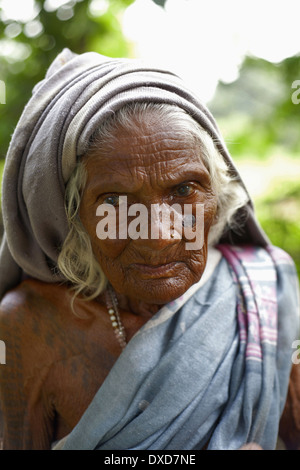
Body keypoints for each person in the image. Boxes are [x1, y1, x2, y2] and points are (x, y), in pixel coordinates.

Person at [0, 49, 299, 451]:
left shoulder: (263, 289)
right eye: (116, 201)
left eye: (183, 190)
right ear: (73, 217)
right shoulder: (28, 327)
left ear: (218, 194)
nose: (158, 235)